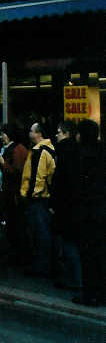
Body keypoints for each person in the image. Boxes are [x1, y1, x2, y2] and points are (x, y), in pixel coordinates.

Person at [74, 119, 106, 306]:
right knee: (100, 255)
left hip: (87, 213)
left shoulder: (81, 156)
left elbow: (77, 187)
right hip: (101, 211)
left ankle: (89, 293)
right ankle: (100, 292)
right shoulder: (101, 152)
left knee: (87, 256)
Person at [20, 122, 56, 277]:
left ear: (39, 134)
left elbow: (38, 178)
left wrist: (30, 195)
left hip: (38, 200)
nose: (29, 133)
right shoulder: (44, 150)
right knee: (41, 234)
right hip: (41, 199)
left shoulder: (41, 152)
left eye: (31, 131)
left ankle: (41, 267)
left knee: (40, 234)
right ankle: (42, 265)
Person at [51, 121, 81, 290]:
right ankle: (75, 279)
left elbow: (59, 181)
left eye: (59, 132)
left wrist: (53, 203)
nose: (56, 135)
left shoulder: (62, 152)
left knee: (65, 243)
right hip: (74, 205)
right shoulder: (78, 152)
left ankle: (71, 280)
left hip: (63, 206)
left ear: (66, 133)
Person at [0, 124, 29, 262]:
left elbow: (16, 173)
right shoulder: (15, 148)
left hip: (13, 194)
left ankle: (17, 256)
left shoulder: (16, 150)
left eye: (3, 134)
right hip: (10, 193)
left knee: (14, 226)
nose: (1, 136)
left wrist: (2, 163)